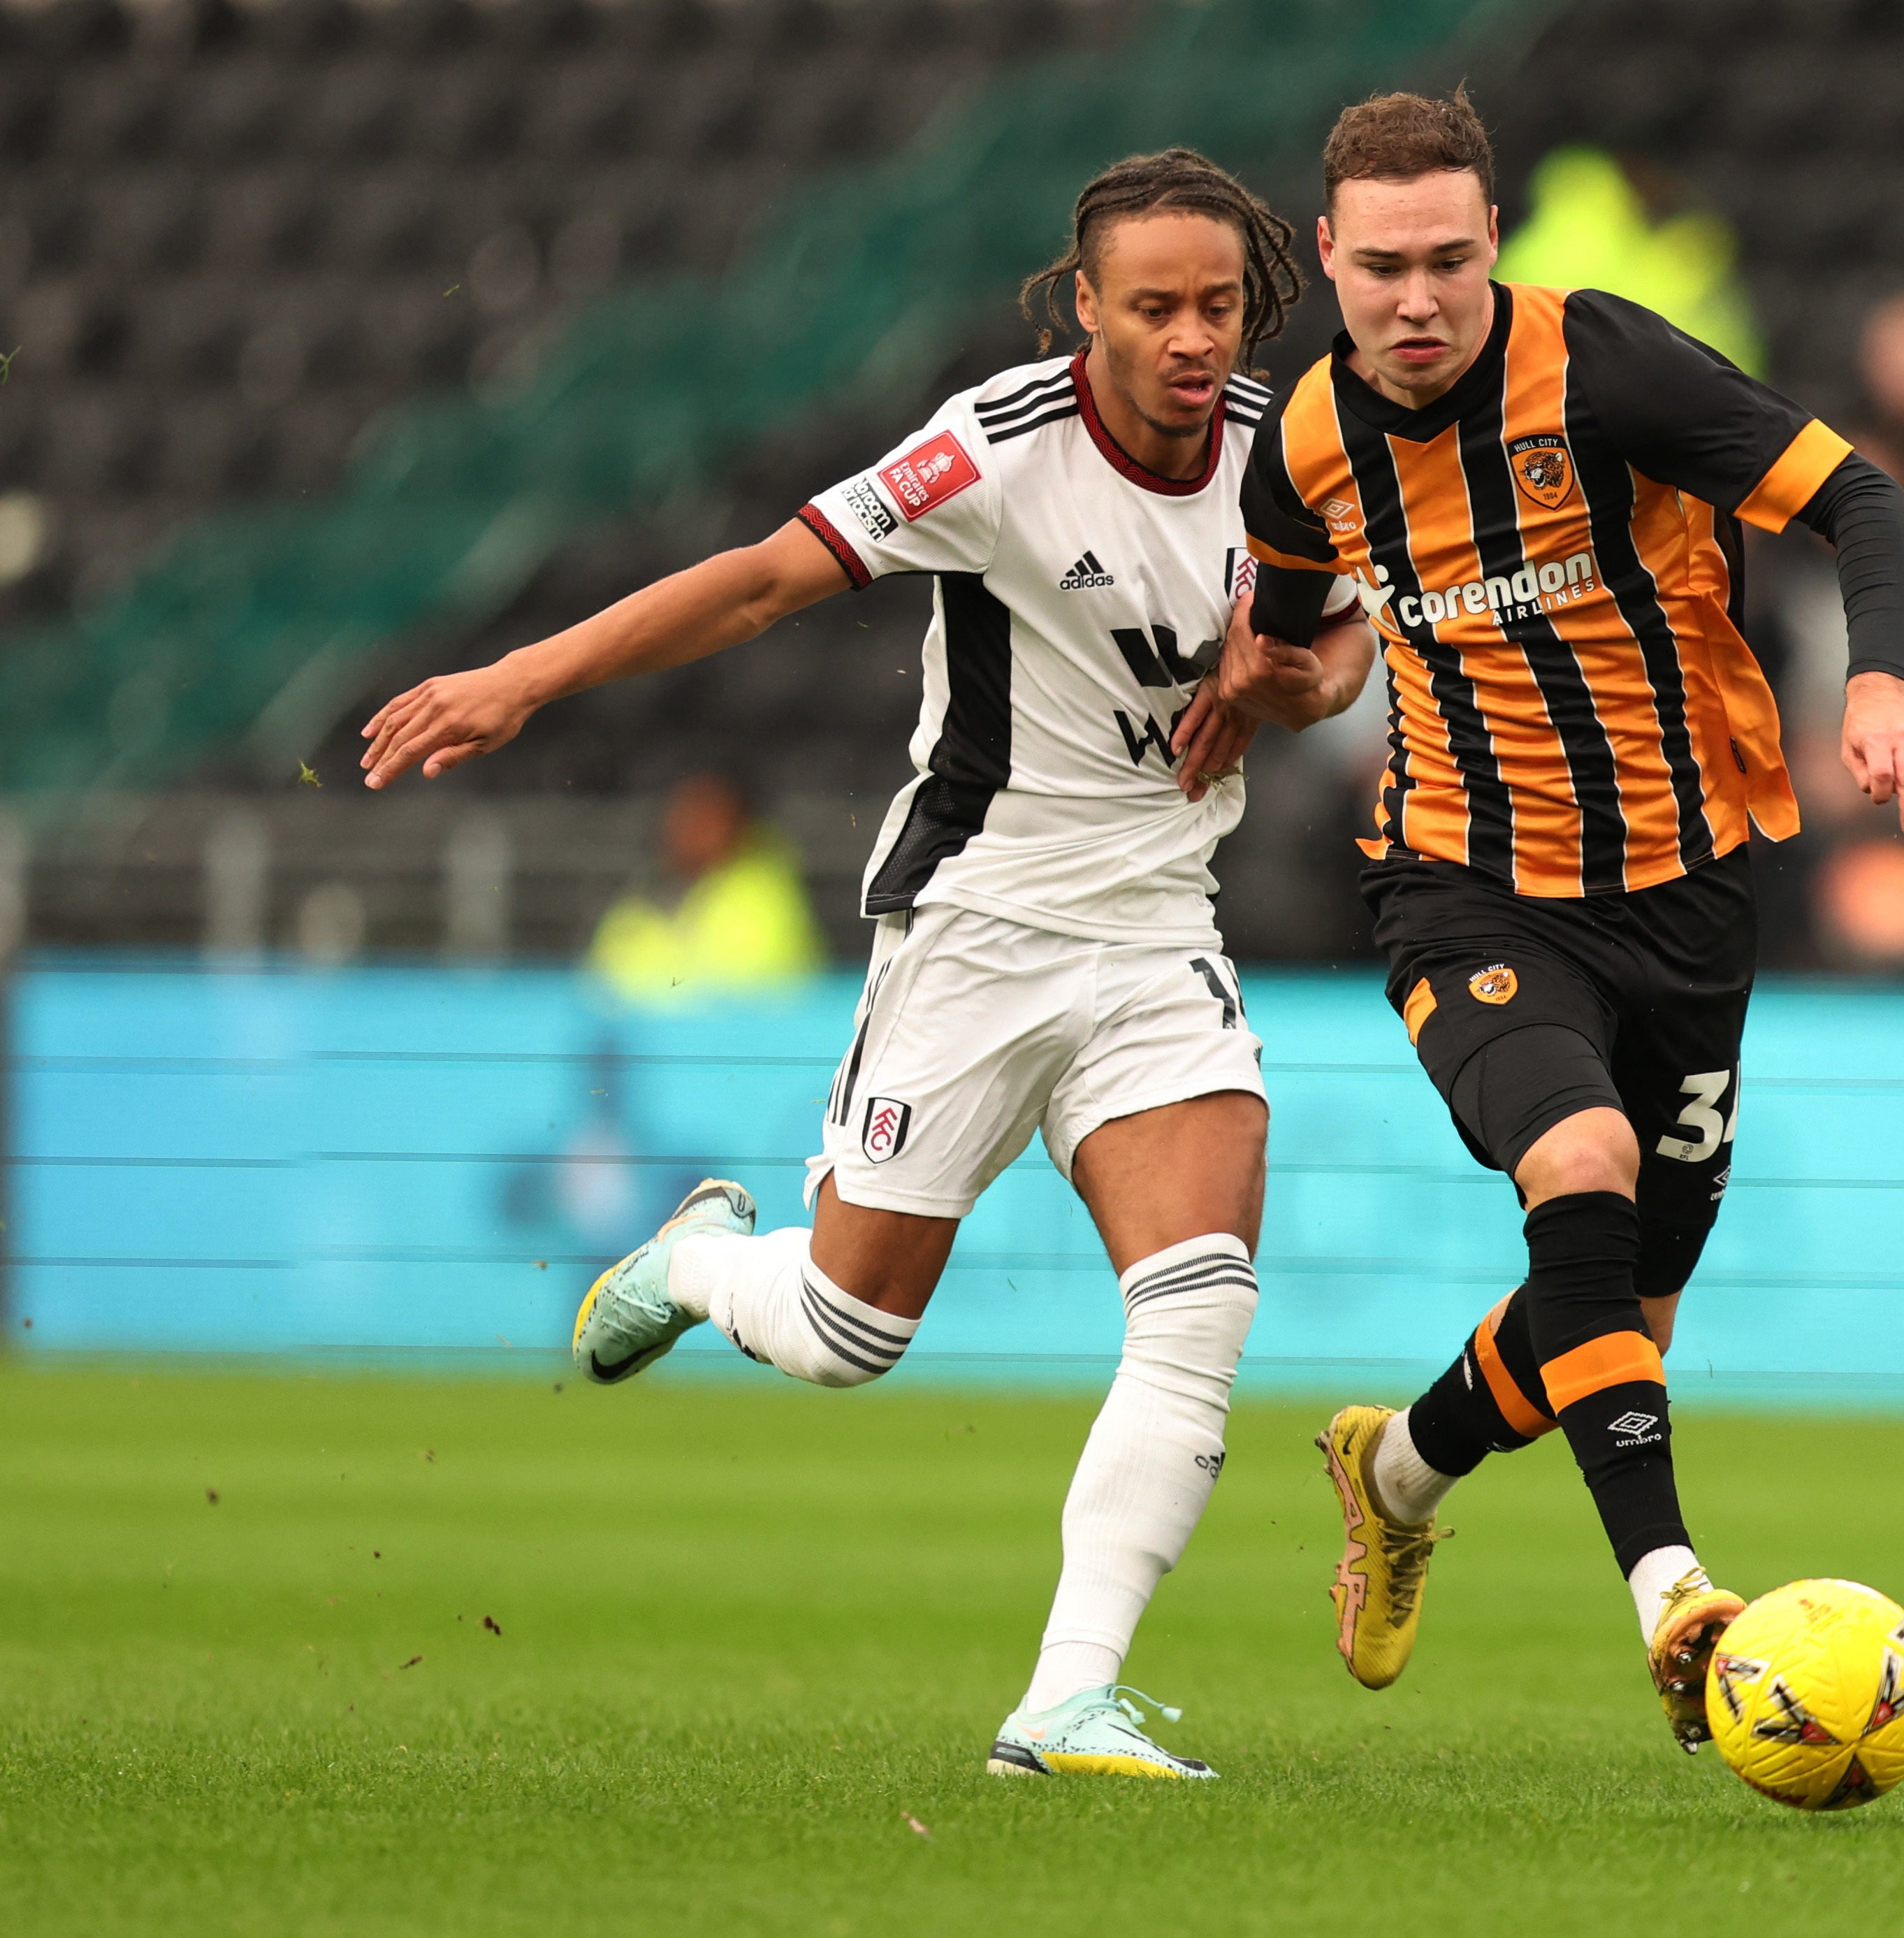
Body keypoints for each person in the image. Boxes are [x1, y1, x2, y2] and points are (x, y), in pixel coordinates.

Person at [356, 150, 1374, 1781]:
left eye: (1222, 306)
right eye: (1156, 307)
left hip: (1157, 928)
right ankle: (697, 1260)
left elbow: (1337, 642)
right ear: (1086, 310)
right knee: (846, 1335)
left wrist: (1291, 691)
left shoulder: (1294, 453)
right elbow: (763, 580)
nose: (1195, 338)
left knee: (1200, 1305)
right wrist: (527, 678)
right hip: (973, 926)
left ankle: (1064, 1696)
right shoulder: (995, 449)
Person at [1215, 88, 1904, 1755]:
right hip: (1461, 877)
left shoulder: (1606, 367)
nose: (1415, 299)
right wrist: (1260, 687)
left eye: (1449, 262)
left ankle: (1393, 1469)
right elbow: (1299, 633)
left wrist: (1880, 677)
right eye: (1382, 265)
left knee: (1612, 1311)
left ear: (1492, 251)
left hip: (1688, 885)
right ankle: (1673, 1594)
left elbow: (1867, 506)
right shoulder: (1304, 440)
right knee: (1581, 1171)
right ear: (1326, 257)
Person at [584, 770, 827, 1004]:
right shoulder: (639, 902)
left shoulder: (765, 895)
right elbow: (600, 990)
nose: (691, 828)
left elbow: (749, 992)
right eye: (684, 814)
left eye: (708, 817)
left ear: (738, 824)